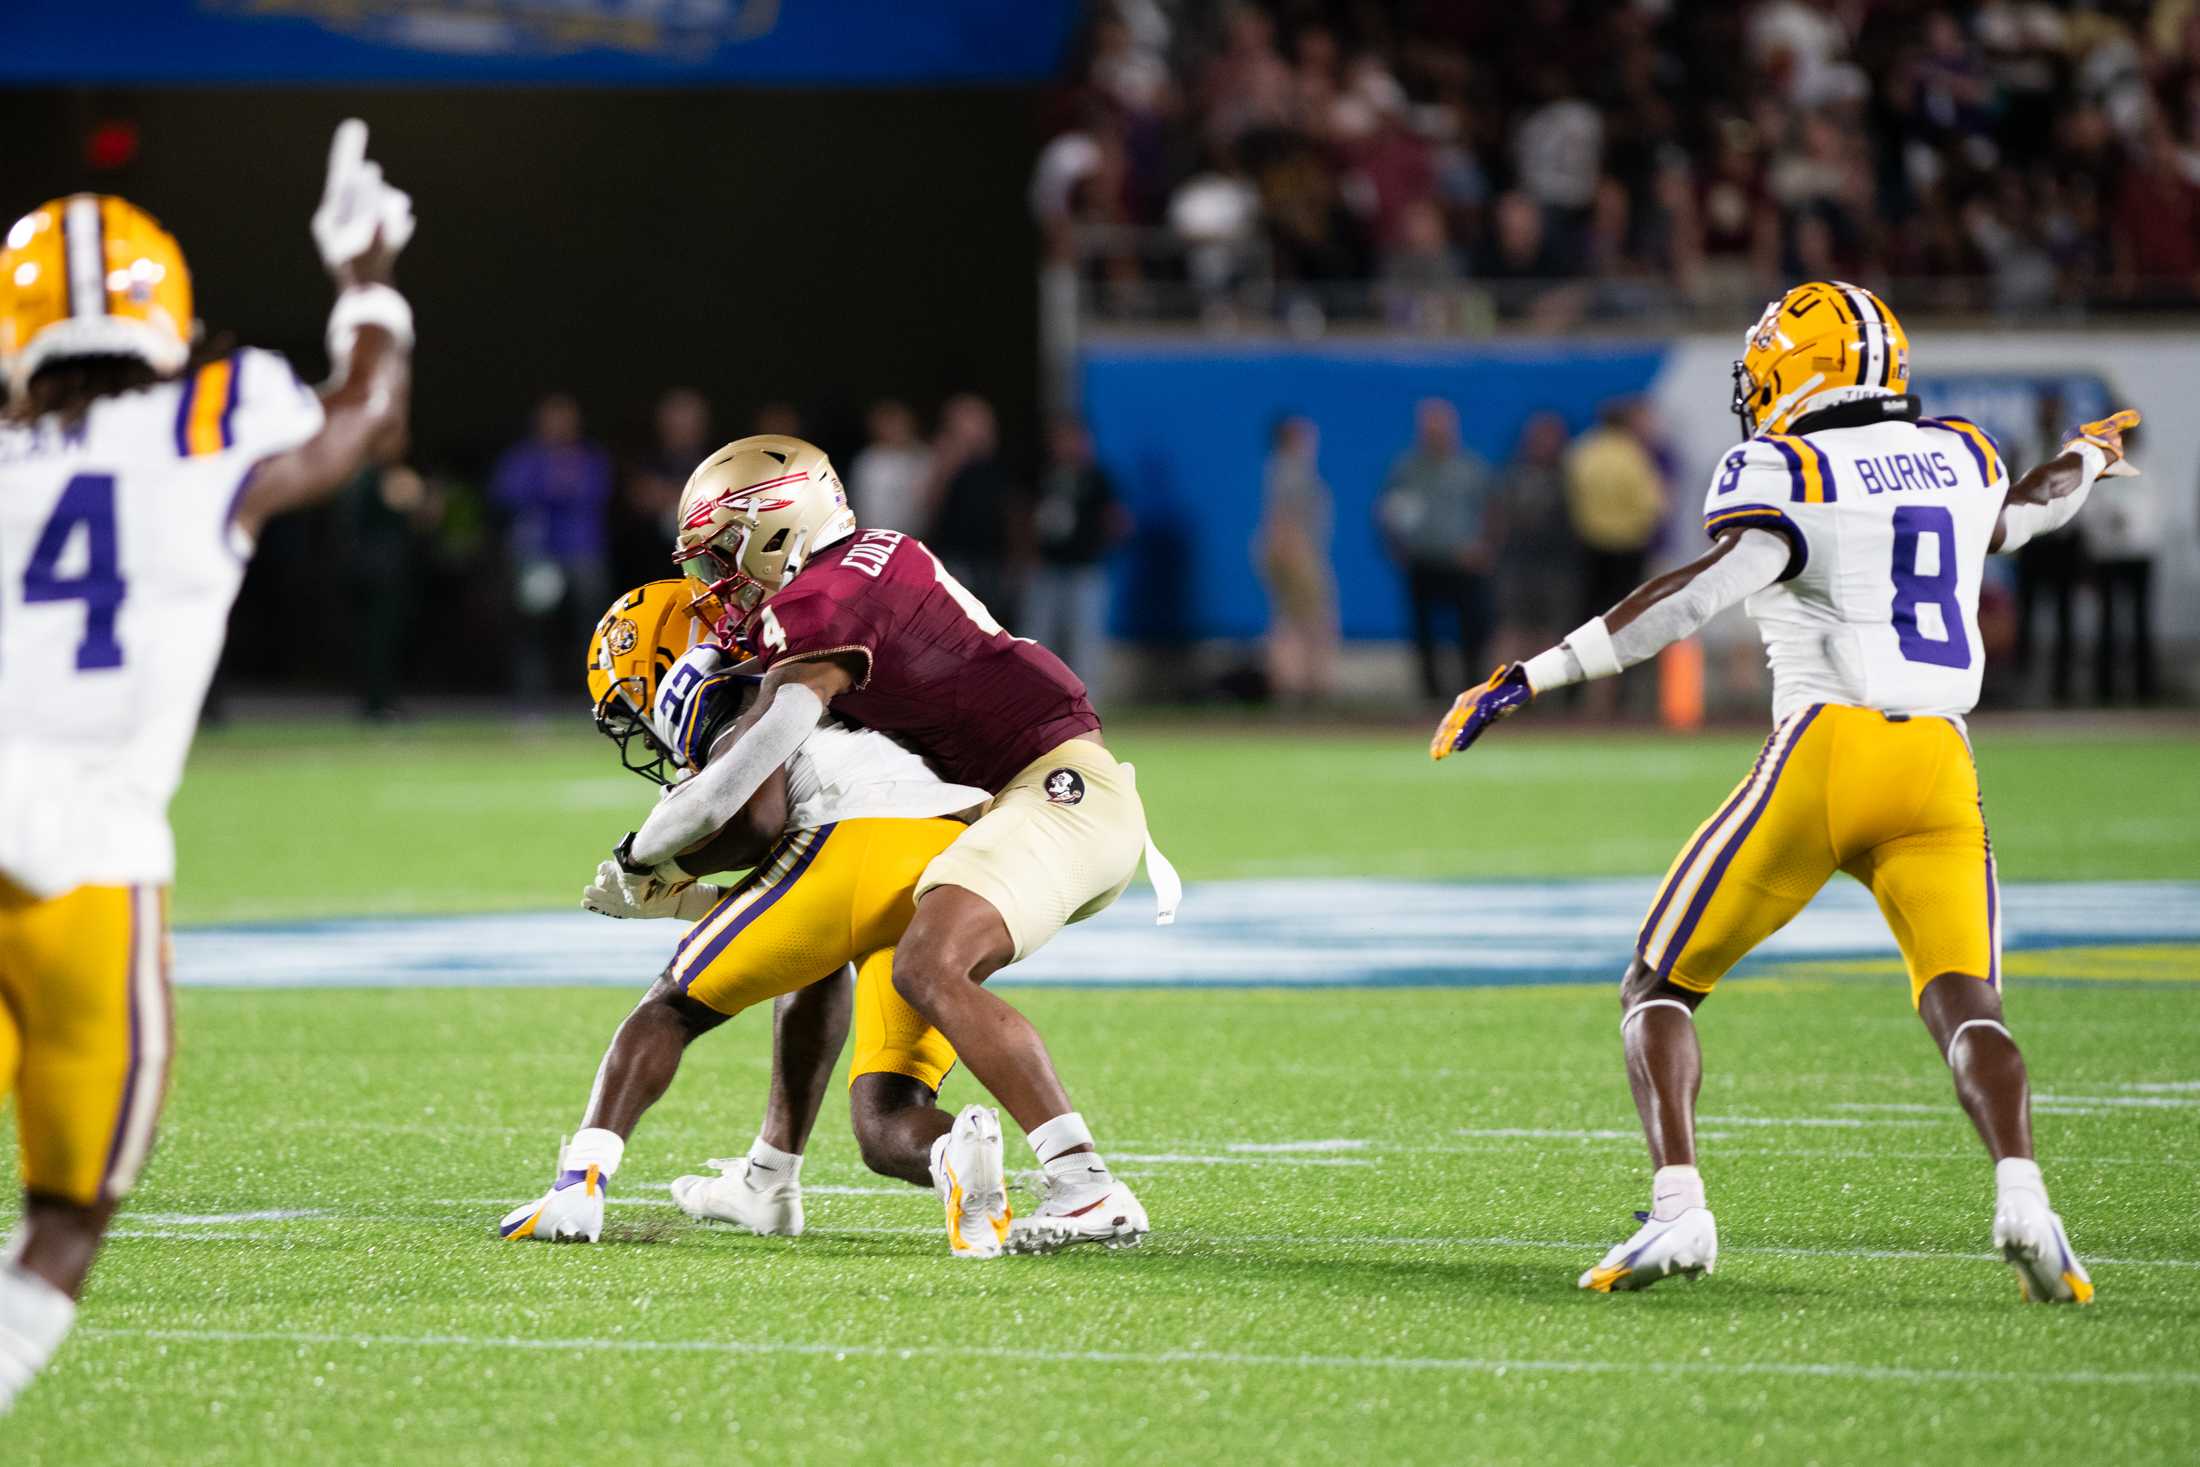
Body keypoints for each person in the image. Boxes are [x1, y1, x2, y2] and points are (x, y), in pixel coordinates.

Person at [1433, 281, 2132, 1305]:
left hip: (1827, 753)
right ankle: (2025, 1200)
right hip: (1941, 765)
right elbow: (2030, 507)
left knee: (1657, 984)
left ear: (1795, 370)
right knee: (1966, 1005)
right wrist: (2090, 456)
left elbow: (1696, 597)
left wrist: (1531, 674)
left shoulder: (1787, 466)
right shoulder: (1960, 454)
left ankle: (1679, 1214)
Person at [0, 120, 415, 1411]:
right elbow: (365, 417)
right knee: (63, 1223)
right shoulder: (211, 419)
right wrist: (366, 279)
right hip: (87, 871)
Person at [616, 435, 1179, 1254]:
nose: (719, 583)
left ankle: (1086, 1183)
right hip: (1040, 798)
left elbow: (743, 778)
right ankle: (767, 1173)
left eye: (725, 555)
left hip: (1055, 793)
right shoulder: (871, 557)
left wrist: (641, 855)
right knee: (868, 1012)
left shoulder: (814, 604)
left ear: (777, 526)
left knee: (926, 965)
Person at [498, 581, 1007, 1254]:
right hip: (951, 860)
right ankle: (944, 1156)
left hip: (856, 842)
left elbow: (753, 821)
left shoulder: (735, 683)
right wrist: (685, 894)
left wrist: (663, 868)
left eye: (633, 698)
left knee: (671, 1005)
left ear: (662, 661)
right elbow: (788, 900)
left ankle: (577, 1184)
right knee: (886, 1119)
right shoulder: (830, 663)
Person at [491, 391, 614, 702]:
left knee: (593, 622)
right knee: (532, 623)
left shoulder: (590, 457)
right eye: (552, 419)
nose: (559, 426)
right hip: (537, 554)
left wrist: (553, 491)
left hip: (582, 552)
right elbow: (505, 495)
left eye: (566, 420)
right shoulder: (523, 457)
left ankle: (595, 691)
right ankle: (532, 694)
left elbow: (594, 493)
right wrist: (551, 487)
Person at [1377, 399, 1496, 700]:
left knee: (1472, 632)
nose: (1434, 431)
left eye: (1439, 424)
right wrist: (1397, 548)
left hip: (1463, 563)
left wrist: (1485, 546)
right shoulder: (1408, 468)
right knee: (1424, 633)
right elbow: (1389, 511)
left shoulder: (1470, 468)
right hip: (1424, 562)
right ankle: (1431, 696)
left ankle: (1473, 693)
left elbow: (1492, 510)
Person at [1025, 416, 1129, 704]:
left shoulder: (1097, 478)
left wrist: (1100, 544)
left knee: (1084, 642)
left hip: (1084, 569)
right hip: (1047, 569)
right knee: (1039, 639)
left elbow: (1117, 520)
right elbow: (1023, 515)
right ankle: (1034, 703)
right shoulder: (1043, 474)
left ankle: (1086, 705)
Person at [1253, 414, 1338, 704]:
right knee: (1302, 621)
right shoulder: (1291, 470)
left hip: (1296, 551)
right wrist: (1291, 556)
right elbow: (1281, 521)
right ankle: (1297, 685)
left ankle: (1297, 684)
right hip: (1296, 552)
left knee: (1296, 619)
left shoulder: (1284, 468)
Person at [925, 394, 1028, 630]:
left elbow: (1015, 511)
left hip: (992, 557)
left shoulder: (1002, 466)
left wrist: (1019, 555)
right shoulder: (945, 462)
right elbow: (931, 507)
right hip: (954, 555)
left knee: (990, 622)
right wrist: (949, 463)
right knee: (953, 621)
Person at [1491, 411, 1581, 661]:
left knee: (1549, 630)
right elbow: (1496, 518)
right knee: (1512, 627)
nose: (1544, 445)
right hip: (1517, 565)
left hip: (1556, 566)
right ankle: (1504, 692)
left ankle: (1541, 692)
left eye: (1551, 438)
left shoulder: (1570, 477)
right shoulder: (1511, 476)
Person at [849, 398, 933, 536]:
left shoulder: (925, 457)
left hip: (922, 537)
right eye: (887, 423)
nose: (894, 429)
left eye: (897, 422)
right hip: (879, 537)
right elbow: (864, 506)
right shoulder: (868, 461)